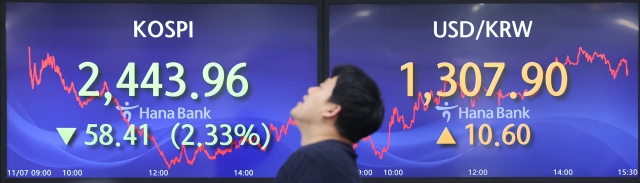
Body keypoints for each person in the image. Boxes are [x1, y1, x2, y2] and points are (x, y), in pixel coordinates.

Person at [273, 64, 385, 183]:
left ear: (331, 110)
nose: (311, 89)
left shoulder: (312, 159)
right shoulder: (340, 164)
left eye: (321, 88)